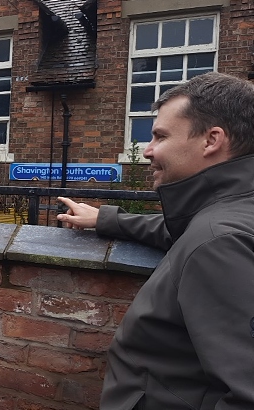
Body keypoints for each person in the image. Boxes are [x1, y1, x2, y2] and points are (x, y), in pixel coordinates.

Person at [56, 72, 254, 409]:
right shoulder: (228, 213)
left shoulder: (219, 243)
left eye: (160, 137)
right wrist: (105, 218)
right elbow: (181, 231)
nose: (148, 151)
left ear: (212, 140)